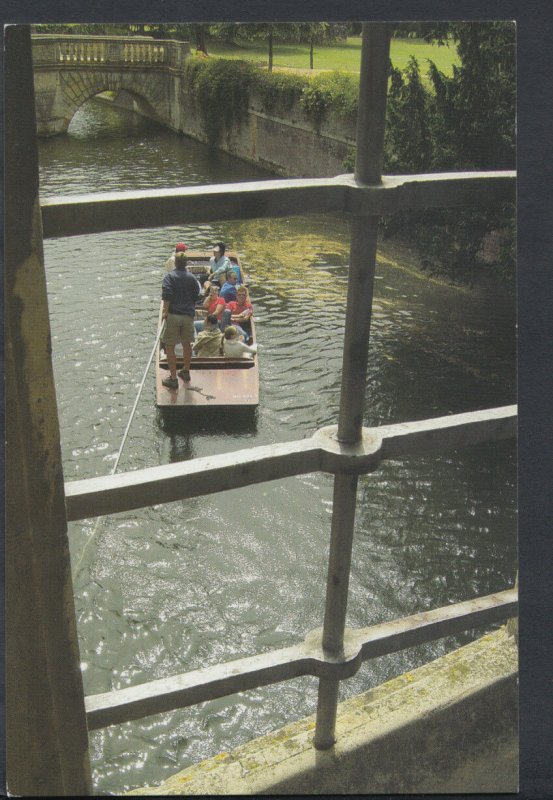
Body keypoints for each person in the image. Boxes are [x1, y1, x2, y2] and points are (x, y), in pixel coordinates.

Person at [160, 245, 201, 388]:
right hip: (188, 315)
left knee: (169, 345)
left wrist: (165, 311)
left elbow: (167, 295)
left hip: (174, 315)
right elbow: (197, 294)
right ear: (186, 263)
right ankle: (186, 371)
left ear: (175, 263)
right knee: (186, 344)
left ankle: (173, 378)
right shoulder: (192, 278)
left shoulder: (169, 277)